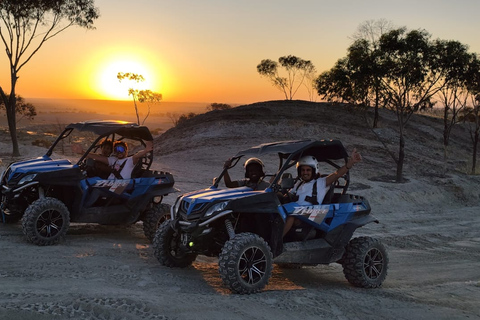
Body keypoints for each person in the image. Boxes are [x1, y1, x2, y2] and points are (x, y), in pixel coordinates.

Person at [282, 148, 362, 236]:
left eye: (308, 170)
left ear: (314, 170)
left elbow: (337, 174)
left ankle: (277, 243)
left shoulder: (321, 182)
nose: (305, 172)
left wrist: (350, 163)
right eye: (303, 170)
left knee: (291, 217)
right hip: (296, 211)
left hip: (312, 215)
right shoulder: (298, 183)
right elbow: (288, 195)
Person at [73, 140, 153, 179]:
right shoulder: (114, 160)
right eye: (116, 150)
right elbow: (98, 157)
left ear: (126, 150)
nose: (118, 152)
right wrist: (82, 152)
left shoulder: (130, 160)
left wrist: (146, 150)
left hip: (120, 186)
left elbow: (137, 156)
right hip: (109, 184)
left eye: (121, 149)